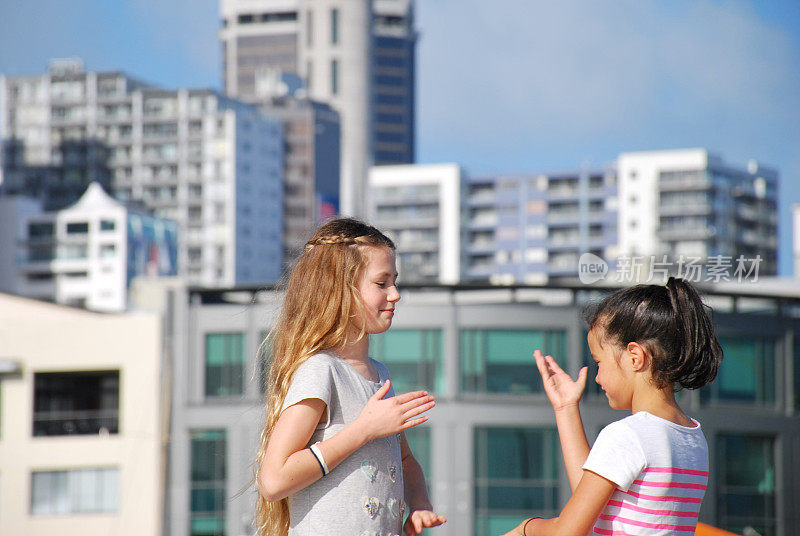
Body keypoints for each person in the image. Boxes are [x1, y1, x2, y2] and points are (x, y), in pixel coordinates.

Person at [254, 217, 447, 536]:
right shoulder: (321, 370)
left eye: (394, 282)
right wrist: (365, 429)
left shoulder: (380, 374)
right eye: (382, 283)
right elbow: (273, 480)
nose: (395, 294)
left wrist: (420, 504)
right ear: (339, 290)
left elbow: (407, 460)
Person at [502, 277, 723, 536]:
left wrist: (525, 528)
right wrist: (565, 408)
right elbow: (593, 502)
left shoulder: (627, 435)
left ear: (635, 357)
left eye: (599, 362)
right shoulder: (693, 437)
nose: (597, 377)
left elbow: (566, 532)